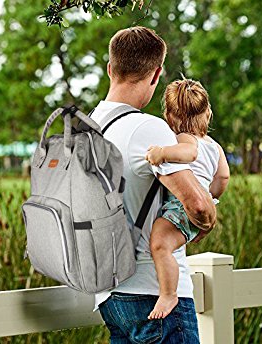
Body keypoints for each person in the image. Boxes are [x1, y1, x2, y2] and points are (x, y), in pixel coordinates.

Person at [91, 26, 216, 343]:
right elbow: (199, 205)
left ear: (110, 68)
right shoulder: (147, 128)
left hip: (110, 296)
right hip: (153, 295)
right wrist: (206, 221)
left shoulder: (88, 129)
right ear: (157, 74)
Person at [144, 79, 230, 319]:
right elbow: (223, 177)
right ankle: (169, 291)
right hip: (202, 203)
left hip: (180, 206)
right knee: (167, 245)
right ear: (207, 113)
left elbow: (189, 152)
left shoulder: (184, 138)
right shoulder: (214, 146)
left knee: (160, 245)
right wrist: (212, 197)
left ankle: (169, 294)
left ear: (169, 115)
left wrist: (162, 153)